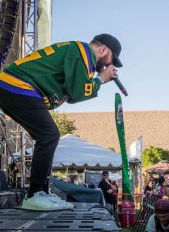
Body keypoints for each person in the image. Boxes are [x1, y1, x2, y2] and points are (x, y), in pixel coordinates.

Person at [0, 34, 123, 210]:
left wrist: (96, 80)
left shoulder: (80, 55)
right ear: (103, 49)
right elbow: (79, 92)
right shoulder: (82, 52)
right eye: (111, 60)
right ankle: (35, 194)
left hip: (14, 87)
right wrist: (101, 79)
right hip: (18, 86)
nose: (108, 65)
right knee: (49, 135)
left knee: (47, 136)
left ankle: (41, 192)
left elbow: (72, 94)